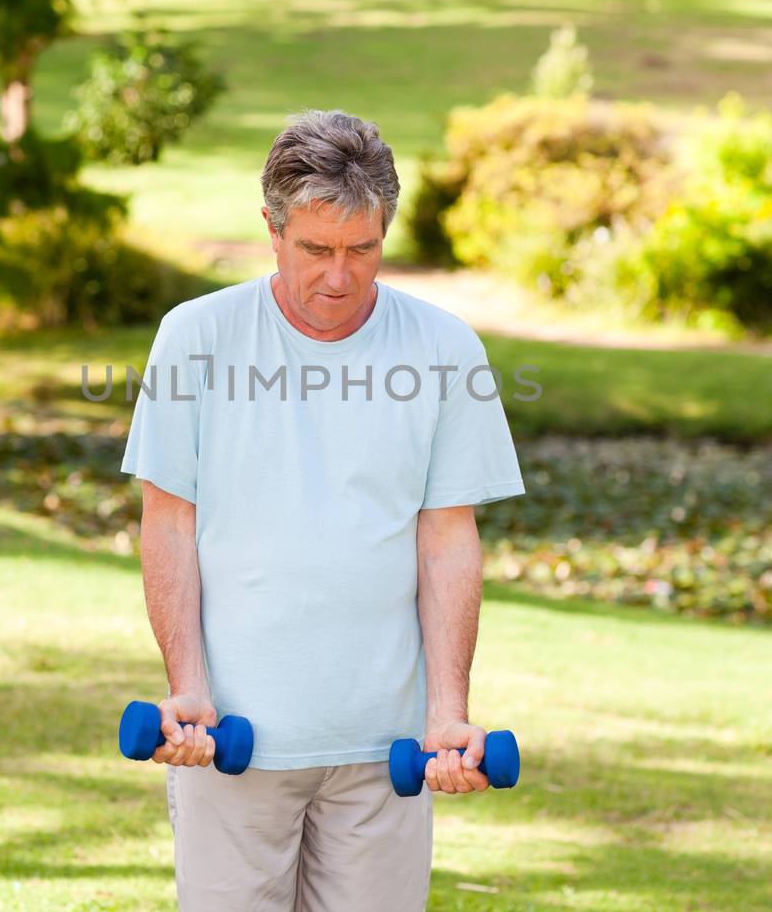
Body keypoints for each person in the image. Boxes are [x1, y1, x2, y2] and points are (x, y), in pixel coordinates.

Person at [120, 109, 525, 910]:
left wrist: (448, 712)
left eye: (361, 250)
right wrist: (188, 685)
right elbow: (169, 523)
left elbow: (446, 539)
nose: (339, 276)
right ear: (271, 231)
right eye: (316, 249)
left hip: (386, 751)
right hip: (233, 738)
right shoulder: (194, 338)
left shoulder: (446, 350)